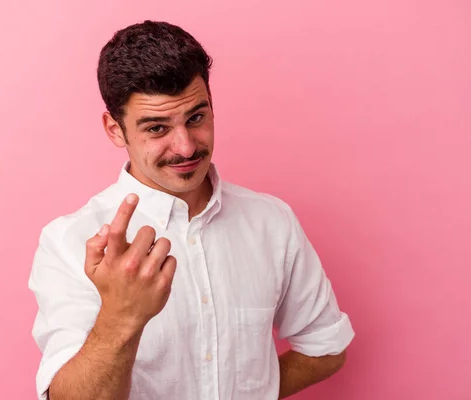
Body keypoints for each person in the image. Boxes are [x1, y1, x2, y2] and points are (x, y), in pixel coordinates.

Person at [29, 20, 355, 400]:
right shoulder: (69, 242)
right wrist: (120, 317)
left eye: (196, 118)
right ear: (115, 130)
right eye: (156, 128)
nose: (185, 148)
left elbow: (327, 348)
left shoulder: (271, 221)